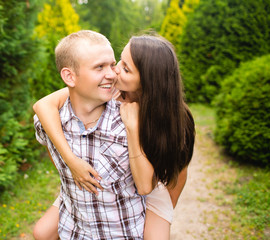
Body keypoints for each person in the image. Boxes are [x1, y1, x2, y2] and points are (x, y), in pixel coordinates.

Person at [33, 34, 195, 240]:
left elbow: (177, 172)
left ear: (147, 80)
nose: (115, 71)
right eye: (118, 60)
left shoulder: (175, 119)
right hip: (94, 191)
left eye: (125, 68)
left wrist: (164, 210)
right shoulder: (112, 92)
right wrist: (72, 163)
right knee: (41, 232)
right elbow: (42, 106)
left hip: (154, 187)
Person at [33, 30, 146, 239]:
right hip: (74, 232)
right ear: (69, 76)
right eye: (99, 67)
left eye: (112, 65)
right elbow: (61, 169)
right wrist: (71, 161)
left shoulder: (129, 120)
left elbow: (147, 185)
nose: (112, 74)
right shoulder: (47, 124)